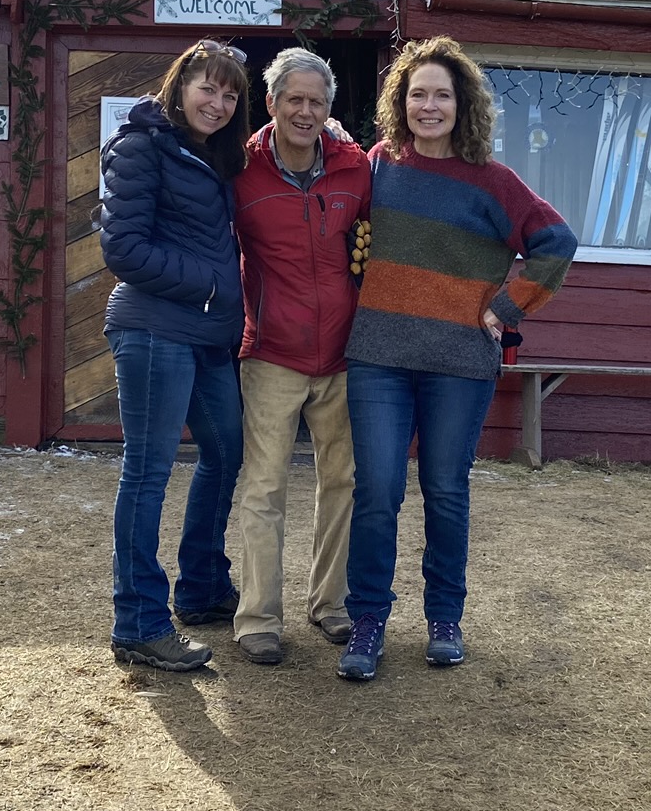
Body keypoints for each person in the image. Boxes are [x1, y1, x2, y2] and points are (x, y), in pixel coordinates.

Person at [337, 36, 577, 681]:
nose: (429, 105)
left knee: (445, 491)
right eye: (418, 94)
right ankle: (367, 621)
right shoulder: (379, 165)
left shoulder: (494, 183)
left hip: (459, 363)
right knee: (377, 492)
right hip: (378, 358)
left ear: (462, 103)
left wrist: (508, 306)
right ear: (401, 102)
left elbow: (557, 242)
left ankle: (445, 617)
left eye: (442, 94)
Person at [99, 40, 251, 671]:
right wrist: (213, 285)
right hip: (156, 330)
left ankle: (202, 587)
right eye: (206, 88)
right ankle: (138, 621)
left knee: (226, 451)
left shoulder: (212, 157)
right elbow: (124, 251)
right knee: (148, 470)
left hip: (207, 336)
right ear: (179, 86)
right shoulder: (143, 147)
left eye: (229, 94)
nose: (216, 103)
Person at [227, 49, 372, 665]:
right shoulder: (240, 170)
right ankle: (258, 618)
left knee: (344, 481)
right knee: (263, 487)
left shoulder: (355, 169)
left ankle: (330, 604)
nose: (305, 112)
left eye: (317, 102)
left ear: (329, 110)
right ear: (273, 104)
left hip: (342, 356)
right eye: (295, 100)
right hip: (271, 356)